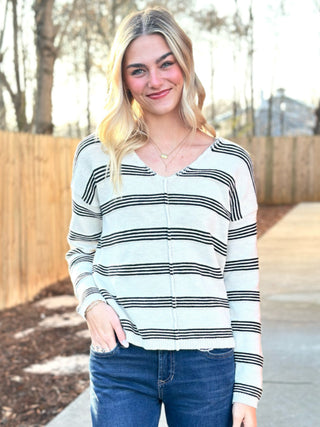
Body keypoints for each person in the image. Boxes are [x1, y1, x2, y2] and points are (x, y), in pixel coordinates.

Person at [66, 6, 263, 427]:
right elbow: (79, 248)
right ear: (123, 79)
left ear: (184, 63)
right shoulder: (97, 156)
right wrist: (92, 305)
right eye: (138, 70)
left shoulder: (231, 164)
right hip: (122, 360)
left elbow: (242, 281)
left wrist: (248, 388)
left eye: (165, 63)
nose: (155, 81)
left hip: (207, 366)